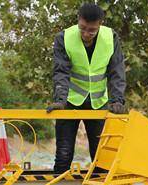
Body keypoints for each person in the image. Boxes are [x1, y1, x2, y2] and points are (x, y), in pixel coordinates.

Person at [47, 3, 127, 173]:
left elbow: (117, 71)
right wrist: (60, 100)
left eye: (91, 30)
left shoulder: (110, 37)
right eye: (82, 28)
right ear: (78, 20)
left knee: (101, 158)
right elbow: (61, 71)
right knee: (63, 154)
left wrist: (117, 100)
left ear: (100, 24)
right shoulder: (64, 37)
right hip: (70, 101)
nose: (85, 34)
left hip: (98, 103)